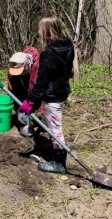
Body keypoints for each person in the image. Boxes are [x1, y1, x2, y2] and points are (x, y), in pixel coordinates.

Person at [18, 15, 74, 174]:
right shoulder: (67, 45)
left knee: (56, 129)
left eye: (40, 30)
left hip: (52, 97)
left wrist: (29, 102)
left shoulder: (49, 54)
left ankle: (59, 163)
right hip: (61, 90)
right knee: (50, 124)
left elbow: (41, 82)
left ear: (47, 32)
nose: (39, 33)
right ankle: (49, 146)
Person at [8, 48, 39, 136]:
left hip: (36, 93)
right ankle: (26, 124)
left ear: (26, 65)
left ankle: (40, 120)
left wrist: (31, 103)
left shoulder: (37, 68)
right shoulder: (12, 70)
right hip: (22, 92)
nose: (17, 74)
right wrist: (19, 108)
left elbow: (39, 90)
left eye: (19, 71)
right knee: (24, 128)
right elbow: (13, 90)